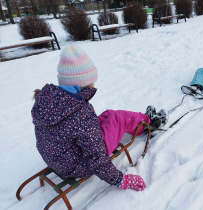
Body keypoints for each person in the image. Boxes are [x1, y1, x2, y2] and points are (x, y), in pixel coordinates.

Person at [31, 45, 167, 191]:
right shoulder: (81, 114)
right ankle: (148, 124)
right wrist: (120, 180)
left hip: (58, 159)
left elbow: (78, 128)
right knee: (117, 118)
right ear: (83, 83)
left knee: (107, 115)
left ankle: (142, 119)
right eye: (92, 81)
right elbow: (96, 158)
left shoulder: (47, 101)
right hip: (79, 165)